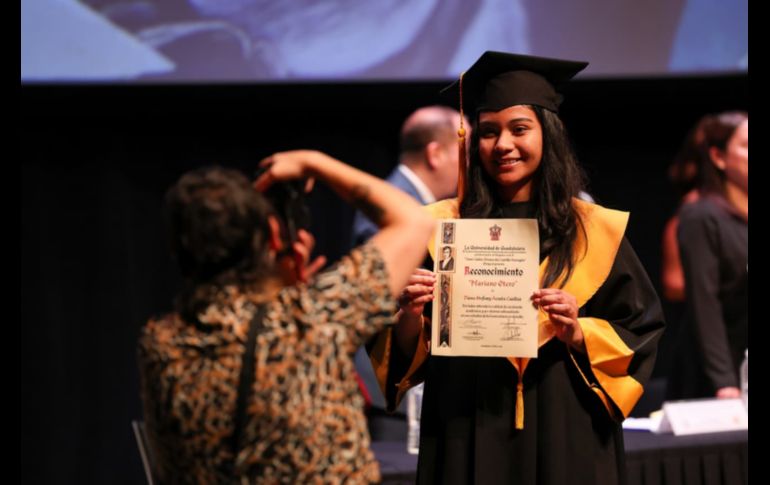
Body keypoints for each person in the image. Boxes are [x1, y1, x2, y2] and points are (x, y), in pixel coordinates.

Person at [368, 51, 665, 484]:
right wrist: (410, 316)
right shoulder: (440, 227)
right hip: (464, 423)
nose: (502, 145)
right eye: (488, 132)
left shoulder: (593, 229)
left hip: (569, 427)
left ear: (548, 134)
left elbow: (641, 331)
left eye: (519, 129)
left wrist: (579, 330)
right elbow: (397, 352)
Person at [138, 151, 434, 483]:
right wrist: (313, 162)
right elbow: (413, 220)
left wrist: (285, 291)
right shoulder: (311, 319)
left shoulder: (158, 343)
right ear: (274, 238)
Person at [666, 111, 748, 401]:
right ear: (719, 157)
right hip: (716, 374)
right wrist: (724, 381)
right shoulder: (701, 216)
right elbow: (704, 302)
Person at [351, 105, 465, 247]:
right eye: (465, 152)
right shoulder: (389, 205)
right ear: (436, 154)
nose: (470, 164)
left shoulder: (399, 200)